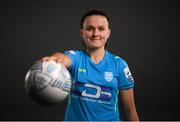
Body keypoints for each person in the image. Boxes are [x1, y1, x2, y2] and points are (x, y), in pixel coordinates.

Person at [42, 10, 139, 121]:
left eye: (101, 29)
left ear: (108, 33)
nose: (95, 33)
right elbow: (63, 58)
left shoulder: (119, 64)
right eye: (90, 28)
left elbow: (130, 110)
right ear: (82, 33)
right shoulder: (76, 58)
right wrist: (54, 60)